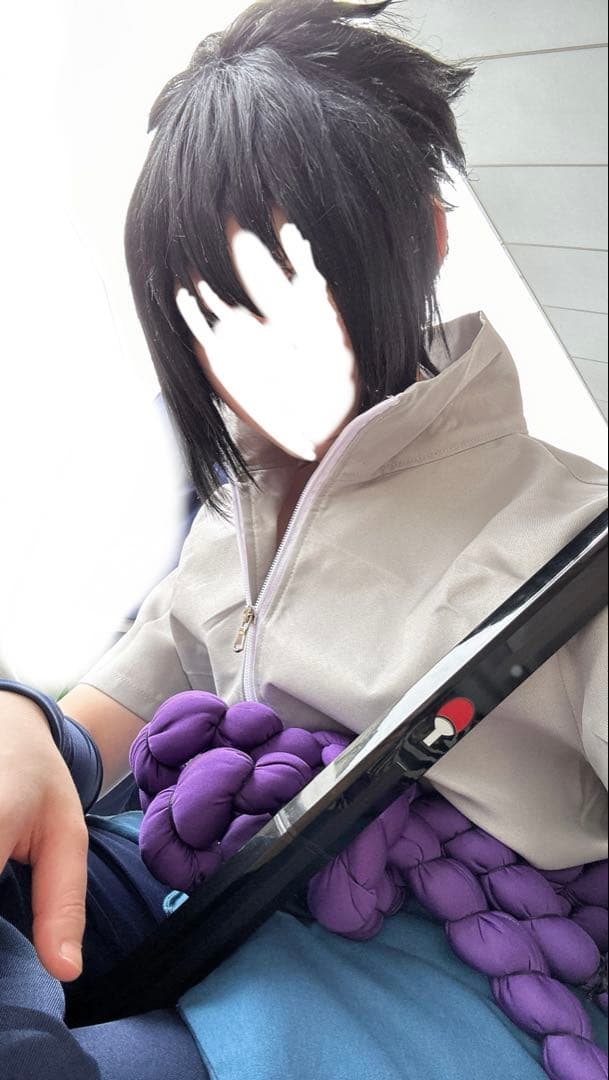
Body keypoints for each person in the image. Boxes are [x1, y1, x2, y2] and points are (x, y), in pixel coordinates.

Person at [1, 1, 607, 1077]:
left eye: (305, 277)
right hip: (195, 874)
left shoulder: (570, 538)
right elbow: (99, 719)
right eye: (210, 306)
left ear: (424, 238)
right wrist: (17, 723)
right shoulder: (231, 513)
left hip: (452, 978)